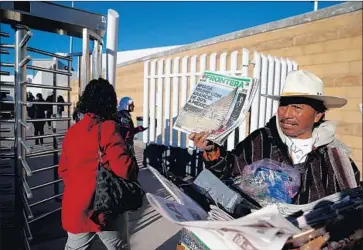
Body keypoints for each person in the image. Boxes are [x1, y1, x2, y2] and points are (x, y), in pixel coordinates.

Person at [190, 70, 360, 205]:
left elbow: (350, 201)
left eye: (296, 107)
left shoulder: (335, 155)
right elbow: (229, 170)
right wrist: (212, 151)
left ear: (317, 116)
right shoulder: (261, 139)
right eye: (283, 106)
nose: (286, 114)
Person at [59, 78, 137, 250]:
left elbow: (63, 170)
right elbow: (124, 169)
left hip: (75, 209)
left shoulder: (72, 131)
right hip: (105, 208)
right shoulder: (108, 128)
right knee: (120, 246)